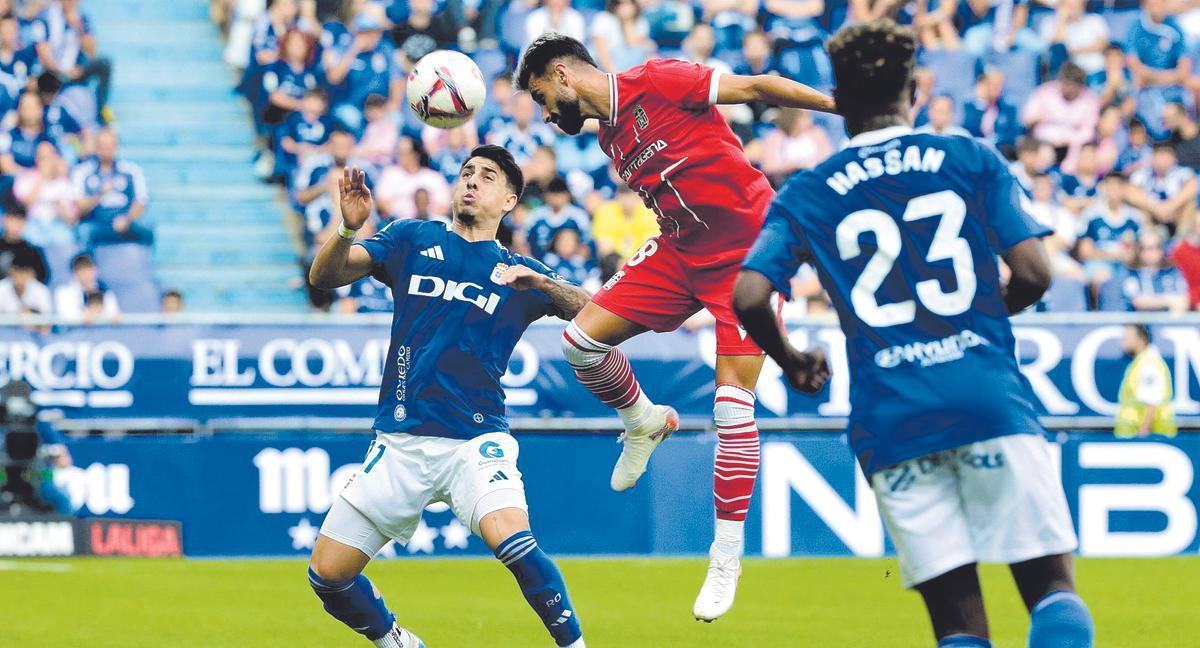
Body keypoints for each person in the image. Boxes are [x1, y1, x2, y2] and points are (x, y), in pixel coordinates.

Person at [733, 19, 1093, 648]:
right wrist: (980, 316)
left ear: (837, 100)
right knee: (1052, 596)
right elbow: (1035, 271)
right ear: (914, 92)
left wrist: (791, 360)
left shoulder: (808, 192)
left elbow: (749, 295)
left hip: (892, 419)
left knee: (958, 627)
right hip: (988, 398)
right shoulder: (967, 156)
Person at [515, 32, 834, 620]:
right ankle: (643, 420)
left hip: (748, 254)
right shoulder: (611, 135)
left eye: (540, 96)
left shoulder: (659, 79)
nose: (543, 112)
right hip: (680, 254)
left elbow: (759, 87)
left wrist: (844, 107)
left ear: (562, 75)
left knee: (732, 407)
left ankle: (725, 556)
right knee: (580, 342)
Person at [306, 147, 591, 648]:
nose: (471, 182)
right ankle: (395, 639)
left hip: (473, 442)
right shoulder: (412, 237)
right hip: (399, 441)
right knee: (327, 575)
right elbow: (324, 277)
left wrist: (544, 282)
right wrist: (348, 229)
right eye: (466, 173)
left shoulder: (516, 270)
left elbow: (593, 312)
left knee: (516, 543)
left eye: (487, 176)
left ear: (509, 200)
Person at [71, 129, 151, 247]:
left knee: (147, 230)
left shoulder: (131, 171)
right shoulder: (82, 172)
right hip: (96, 223)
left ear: (116, 146)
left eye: (110, 145)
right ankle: (88, 265)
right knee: (84, 231)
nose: (106, 149)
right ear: (96, 147)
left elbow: (141, 201)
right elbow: (79, 206)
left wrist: (127, 219)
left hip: (124, 222)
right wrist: (99, 195)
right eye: (103, 145)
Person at [1115, 324, 1177, 437]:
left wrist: (1143, 434)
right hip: (1137, 436)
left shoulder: (1149, 363)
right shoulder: (1141, 361)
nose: (1122, 343)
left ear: (1141, 340)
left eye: (1127, 338)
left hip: (1149, 436)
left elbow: (1151, 402)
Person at [53, 252, 118, 321]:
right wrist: (85, 316)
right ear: (75, 272)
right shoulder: (63, 292)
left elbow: (114, 315)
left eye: (89, 269)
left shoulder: (106, 292)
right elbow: (65, 316)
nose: (87, 275)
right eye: (82, 270)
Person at [0, 246, 50, 314]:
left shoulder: (41, 290)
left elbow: (47, 322)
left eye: (25, 273)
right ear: (11, 272)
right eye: (18, 272)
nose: (21, 278)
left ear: (32, 274)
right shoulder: (1, 288)